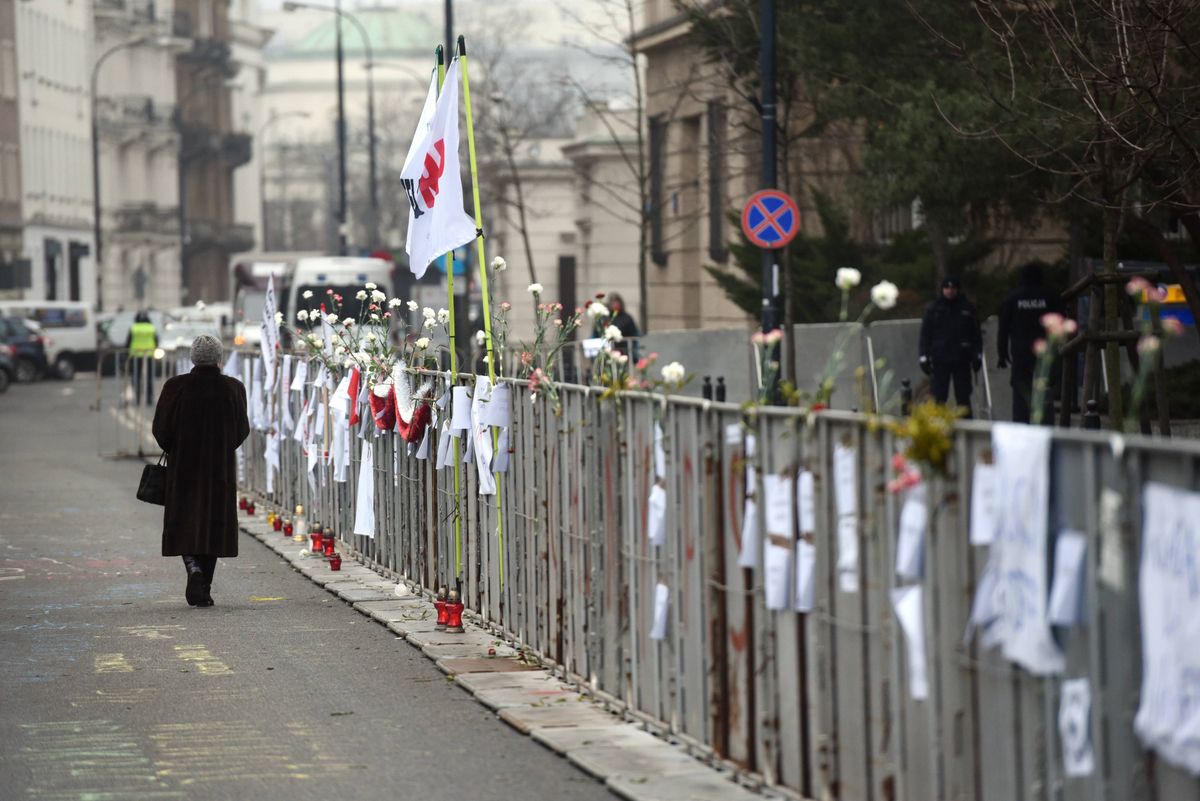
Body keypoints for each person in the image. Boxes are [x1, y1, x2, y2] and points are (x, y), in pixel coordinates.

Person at [152, 335, 249, 607]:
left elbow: (161, 429)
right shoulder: (233, 388)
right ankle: (203, 585)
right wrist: (223, 447)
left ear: (193, 358)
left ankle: (193, 566)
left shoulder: (175, 387)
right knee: (214, 523)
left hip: (184, 466)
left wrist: (176, 447)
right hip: (219, 468)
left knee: (185, 518)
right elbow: (242, 428)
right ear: (219, 358)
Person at [997, 261, 1061, 423]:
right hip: (1045, 351)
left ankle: (1021, 424)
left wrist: (1002, 353)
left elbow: (1003, 327)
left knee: (1020, 391)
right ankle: (1046, 424)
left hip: (1021, 352)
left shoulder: (1013, 298)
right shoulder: (1050, 296)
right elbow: (1061, 322)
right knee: (1045, 388)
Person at [918, 277, 982, 416]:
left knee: (963, 396)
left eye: (953, 288)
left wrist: (977, 355)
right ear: (942, 289)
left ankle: (966, 427)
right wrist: (923, 356)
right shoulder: (934, 309)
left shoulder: (966, 308)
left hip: (962, 359)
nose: (950, 291)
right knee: (939, 396)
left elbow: (976, 334)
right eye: (947, 288)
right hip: (940, 358)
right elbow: (925, 335)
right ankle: (938, 427)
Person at [125, 310, 157, 405]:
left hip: (135, 355)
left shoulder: (133, 328)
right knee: (149, 377)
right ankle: (149, 399)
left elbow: (128, 342)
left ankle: (138, 399)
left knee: (136, 377)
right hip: (149, 355)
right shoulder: (151, 328)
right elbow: (156, 340)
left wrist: (127, 354)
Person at [597, 292, 640, 358]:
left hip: (624, 352)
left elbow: (635, 334)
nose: (615, 304)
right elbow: (597, 333)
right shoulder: (604, 318)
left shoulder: (627, 318)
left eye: (617, 302)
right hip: (607, 352)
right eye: (613, 302)